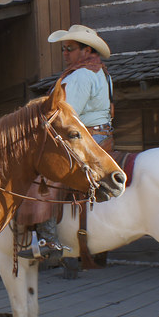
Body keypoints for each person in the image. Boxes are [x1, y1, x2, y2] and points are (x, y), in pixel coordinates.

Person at [18, 24, 114, 260]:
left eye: (69, 48)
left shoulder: (81, 75)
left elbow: (65, 115)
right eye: (64, 48)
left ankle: (48, 238)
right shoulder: (100, 71)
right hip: (102, 134)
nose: (65, 53)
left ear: (86, 50)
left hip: (87, 136)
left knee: (44, 169)